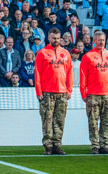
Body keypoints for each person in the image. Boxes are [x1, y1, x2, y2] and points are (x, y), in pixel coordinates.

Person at [79, 30, 108, 155]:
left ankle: (104, 145)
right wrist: (83, 93)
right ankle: (95, 146)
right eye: (99, 40)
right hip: (93, 94)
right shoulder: (87, 56)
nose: (101, 42)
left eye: (103, 40)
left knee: (106, 122)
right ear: (94, 41)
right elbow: (83, 76)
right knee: (93, 121)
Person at [34, 27, 72, 156]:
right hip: (47, 92)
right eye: (53, 38)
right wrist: (39, 91)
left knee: (60, 120)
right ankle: (48, 146)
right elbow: (37, 73)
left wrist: (69, 90)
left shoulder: (65, 53)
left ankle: (57, 144)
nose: (56, 40)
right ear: (49, 38)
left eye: (58, 38)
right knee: (47, 120)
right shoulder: (42, 53)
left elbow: (70, 72)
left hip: (62, 92)